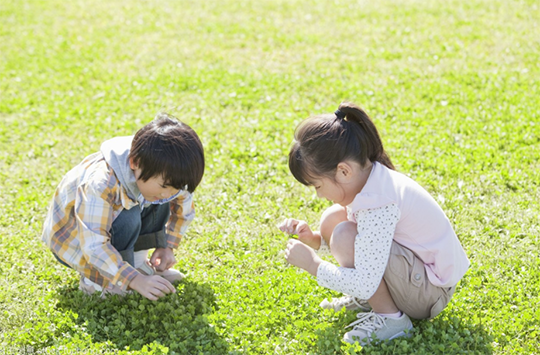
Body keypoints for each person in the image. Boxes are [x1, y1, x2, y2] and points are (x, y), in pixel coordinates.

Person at [278, 102, 469, 345]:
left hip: (430, 293)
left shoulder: (377, 203)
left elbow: (365, 276)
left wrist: (313, 265)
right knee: (333, 218)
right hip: (419, 277)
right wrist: (314, 240)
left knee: (346, 234)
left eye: (317, 185)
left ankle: (392, 319)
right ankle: (371, 300)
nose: (318, 194)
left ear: (344, 172)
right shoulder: (372, 179)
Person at [42, 113, 205, 301]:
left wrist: (167, 246)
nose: (170, 193)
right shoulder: (100, 183)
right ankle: (96, 282)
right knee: (129, 215)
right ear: (134, 163)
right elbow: (93, 245)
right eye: (165, 186)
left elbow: (183, 205)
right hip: (75, 242)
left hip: (101, 233)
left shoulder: (166, 173)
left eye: (176, 188)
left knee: (158, 200)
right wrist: (134, 280)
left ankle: (136, 263)